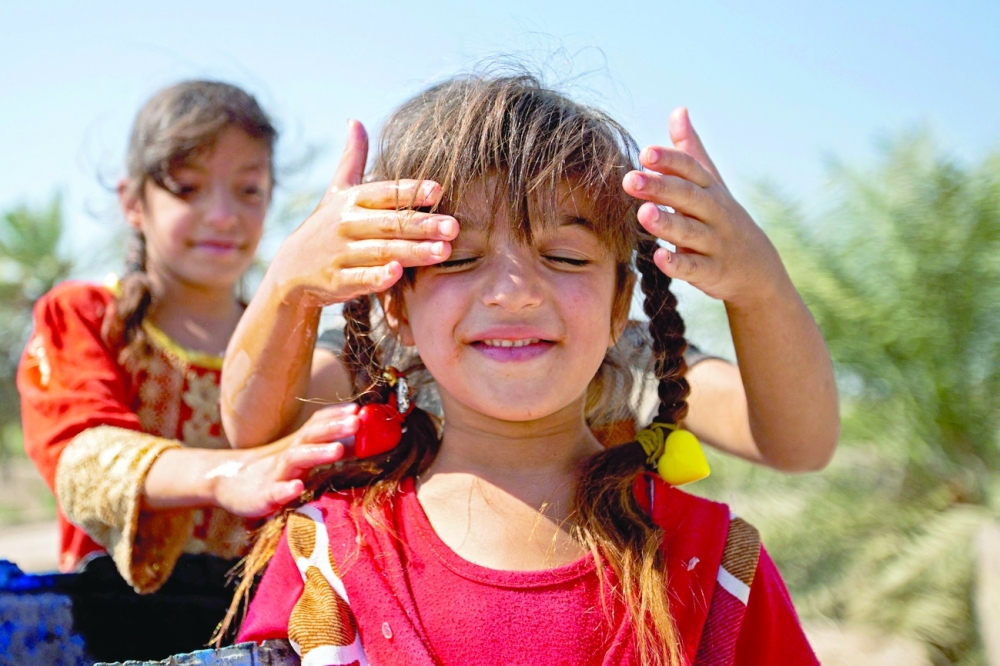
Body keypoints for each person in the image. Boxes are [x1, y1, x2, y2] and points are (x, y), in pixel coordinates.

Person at [228, 72, 820, 664]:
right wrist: (288, 283)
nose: (513, 293)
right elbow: (253, 427)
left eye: (564, 256)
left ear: (621, 307)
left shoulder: (713, 567)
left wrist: (760, 285)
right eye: (458, 258)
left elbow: (802, 440)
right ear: (396, 308)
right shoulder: (329, 556)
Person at [16, 80, 349, 660]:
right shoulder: (83, 315)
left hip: (260, 627)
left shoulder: (290, 346)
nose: (222, 216)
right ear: (133, 203)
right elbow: (80, 456)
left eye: (248, 190)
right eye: (189, 189)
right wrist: (230, 473)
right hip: (108, 627)